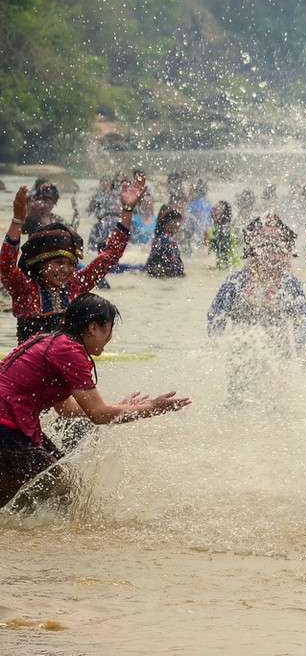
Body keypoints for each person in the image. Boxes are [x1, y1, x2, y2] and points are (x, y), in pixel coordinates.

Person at [0, 293, 190, 509]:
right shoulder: (69, 351)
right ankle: (48, 539)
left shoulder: (52, 341)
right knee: (61, 486)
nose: (110, 336)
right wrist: (153, 408)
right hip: (7, 424)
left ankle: (19, 537)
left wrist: (122, 407)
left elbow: (66, 408)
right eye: (108, 329)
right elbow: (98, 415)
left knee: (26, 489)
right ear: (93, 328)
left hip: (10, 421)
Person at [2, 179, 144, 343]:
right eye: (59, 262)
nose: (66, 269)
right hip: (33, 367)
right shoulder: (25, 290)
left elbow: (110, 255)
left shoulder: (75, 286)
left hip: (67, 365)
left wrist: (127, 210)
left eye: (71, 264)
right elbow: (5, 264)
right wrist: (18, 220)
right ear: (40, 263)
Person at [207, 214, 306, 401]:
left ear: (285, 253)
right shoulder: (236, 280)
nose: (272, 255)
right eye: (266, 249)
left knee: (275, 404)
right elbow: (217, 313)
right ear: (254, 251)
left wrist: (303, 348)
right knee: (238, 399)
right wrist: (215, 339)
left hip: (277, 351)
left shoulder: (290, 283)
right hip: (241, 349)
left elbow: (301, 318)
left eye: (277, 250)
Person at [145, 205, 185, 278]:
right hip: (166, 278)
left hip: (164, 277)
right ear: (166, 224)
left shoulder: (163, 238)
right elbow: (173, 263)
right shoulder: (166, 239)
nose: (177, 225)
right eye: (174, 222)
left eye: (179, 223)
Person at [207, 201, 238, 270]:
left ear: (224, 213)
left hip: (231, 267)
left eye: (216, 209)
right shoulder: (217, 227)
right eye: (213, 209)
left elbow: (222, 247)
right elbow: (212, 249)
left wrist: (210, 236)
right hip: (224, 267)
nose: (213, 212)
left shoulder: (226, 228)